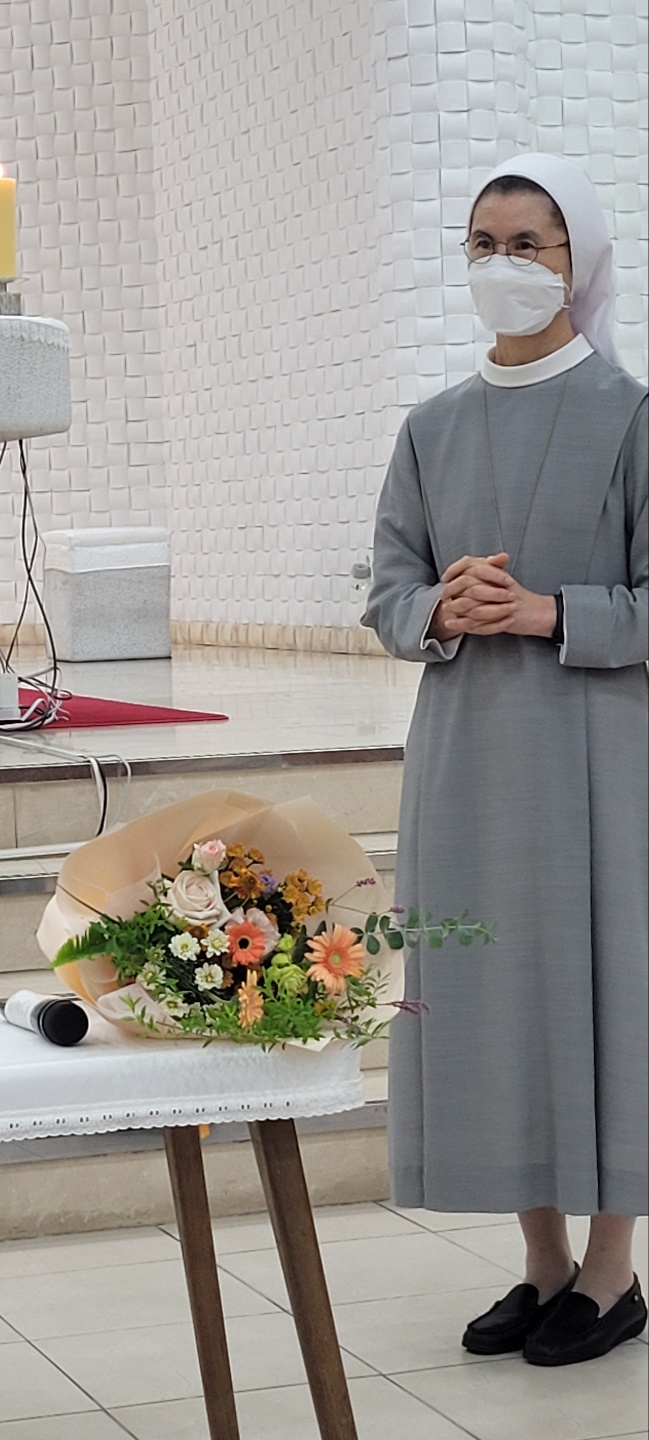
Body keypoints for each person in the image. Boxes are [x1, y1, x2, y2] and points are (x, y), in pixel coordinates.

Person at [362, 152, 648, 1367]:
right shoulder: (429, 428)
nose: (503, 265)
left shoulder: (632, 416)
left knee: (604, 989)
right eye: (483, 244)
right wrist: (438, 606)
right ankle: (541, 1263)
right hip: (468, 756)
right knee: (496, 993)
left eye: (528, 243)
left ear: (578, 261)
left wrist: (548, 612)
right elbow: (384, 590)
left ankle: (613, 1270)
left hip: (600, 758)